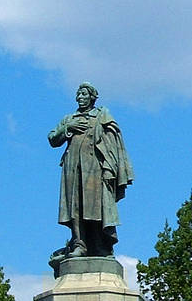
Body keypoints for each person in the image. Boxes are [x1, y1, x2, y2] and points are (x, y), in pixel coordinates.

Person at [48, 83, 133, 257]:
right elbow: (52, 139)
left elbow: (113, 144)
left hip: (94, 168)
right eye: (78, 94)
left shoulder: (101, 116)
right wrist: (68, 128)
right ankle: (80, 244)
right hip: (72, 168)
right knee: (75, 206)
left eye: (84, 94)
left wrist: (111, 168)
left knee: (96, 207)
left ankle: (99, 244)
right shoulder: (69, 119)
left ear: (92, 97)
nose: (80, 97)